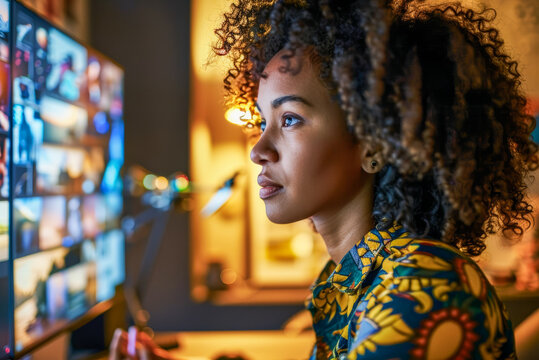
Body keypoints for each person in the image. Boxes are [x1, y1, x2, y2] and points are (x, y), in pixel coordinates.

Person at [110, 0, 539, 359]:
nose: (258, 150)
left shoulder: (424, 284)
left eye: (290, 119)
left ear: (374, 145)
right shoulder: (351, 278)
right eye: (262, 121)